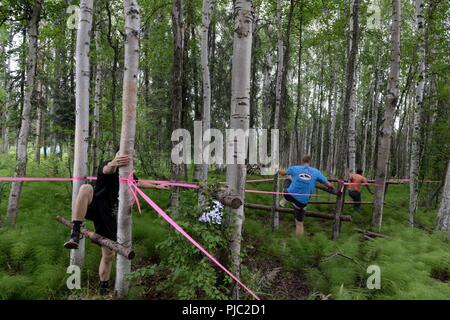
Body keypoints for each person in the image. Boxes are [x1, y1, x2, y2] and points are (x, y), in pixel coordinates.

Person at [63, 148, 170, 294]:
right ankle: (75, 232)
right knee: (86, 188)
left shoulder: (128, 173)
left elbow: (138, 182)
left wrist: (157, 186)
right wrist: (114, 162)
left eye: (131, 155)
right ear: (116, 154)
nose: (127, 157)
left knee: (108, 255)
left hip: (110, 217)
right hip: (95, 207)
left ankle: (103, 287)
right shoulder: (107, 164)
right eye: (123, 154)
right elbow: (108, 170)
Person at [279, 156, 335, 237]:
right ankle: (299, 242)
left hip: (289, 195)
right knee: (299, 224)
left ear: (302, 161)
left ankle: (285, 200)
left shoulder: (295, 168)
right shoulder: (316, 172)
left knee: (288, 178)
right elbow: (328, 184)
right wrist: (333, 187)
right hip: (302, 202)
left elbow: (282, 173)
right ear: (310, 162)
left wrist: (277, 169)